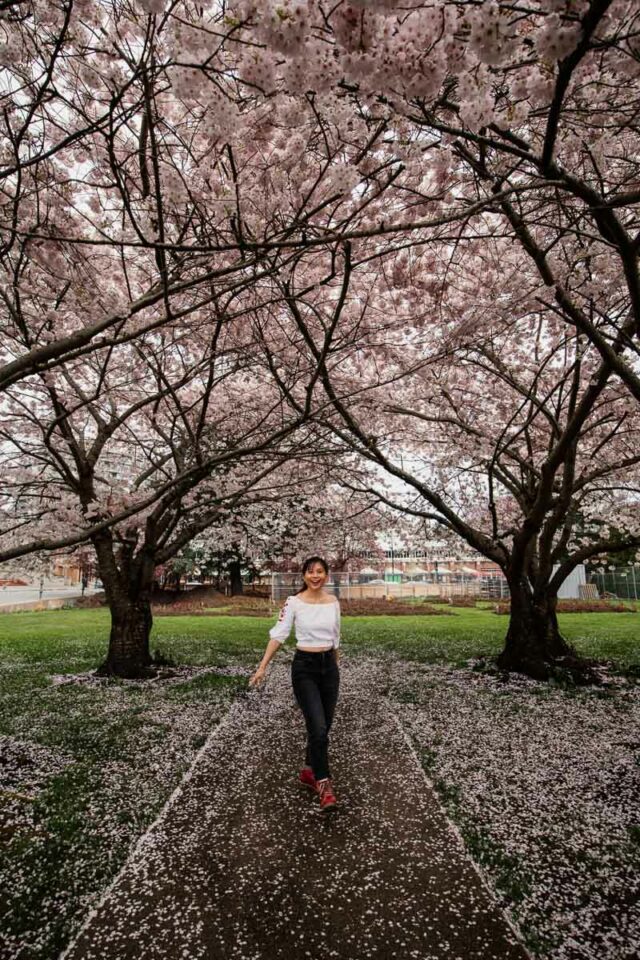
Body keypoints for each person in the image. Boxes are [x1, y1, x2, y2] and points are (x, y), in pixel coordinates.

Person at [249, 556, 341, 812]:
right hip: (305, 669)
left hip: (329, 669)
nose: (315, 576)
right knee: (319, 728)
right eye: (310, 572)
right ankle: (324, 785)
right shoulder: (293, 603)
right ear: (303, 576)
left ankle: (309, 771)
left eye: (320, 572)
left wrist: (335, 666)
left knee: (323, 727)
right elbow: (278, 635)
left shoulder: (333, 602)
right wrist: (262, 666)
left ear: (326, 575)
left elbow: (336, 638)